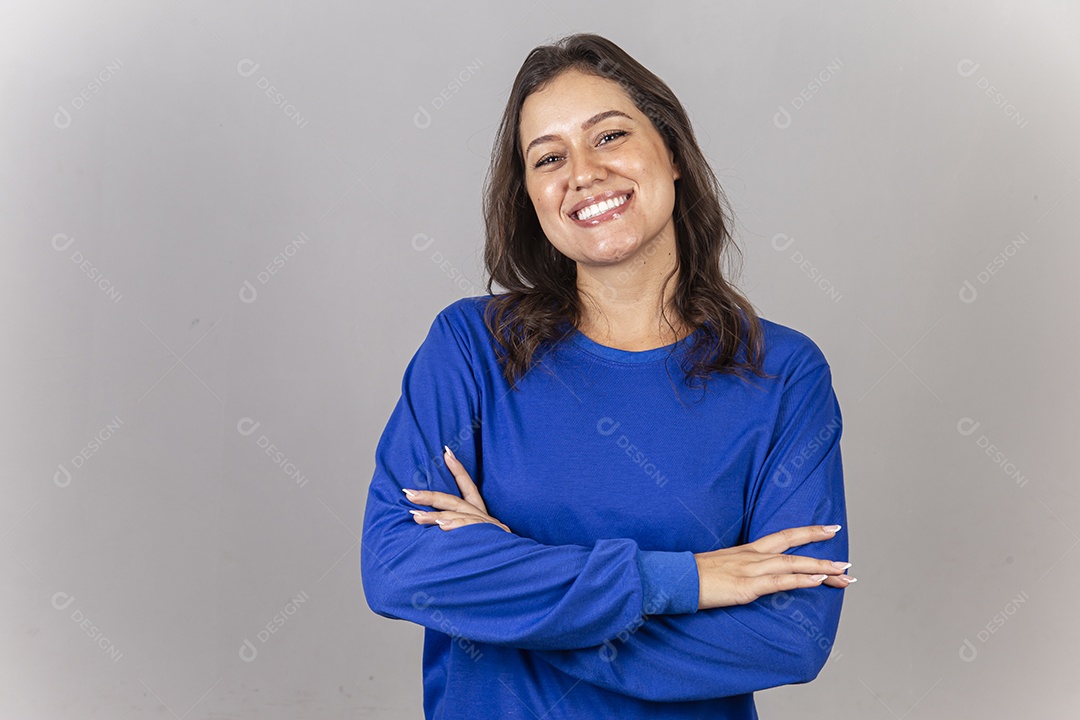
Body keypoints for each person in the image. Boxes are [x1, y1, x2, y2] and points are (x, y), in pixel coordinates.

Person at [361, 32, 853, 719]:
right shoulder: (471, 348)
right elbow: (397, 568)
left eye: (610, 135)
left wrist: (512, 601)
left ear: (672, 153)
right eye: (550, 157)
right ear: (531, 194)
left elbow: (788, 638)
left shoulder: (782, 374)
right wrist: (680, 580)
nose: (583, 172)